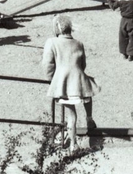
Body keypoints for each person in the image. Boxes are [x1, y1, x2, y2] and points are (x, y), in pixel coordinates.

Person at [42, 14, 99, 150]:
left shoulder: (52, 42)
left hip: (64, 82)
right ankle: (89, 117)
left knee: (71, 114)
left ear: (57, 29)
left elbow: (47, 64)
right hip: (78, 78)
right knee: (88, 90)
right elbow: (83, 64)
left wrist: (51, 79)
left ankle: (73, 144)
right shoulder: (79, 43)